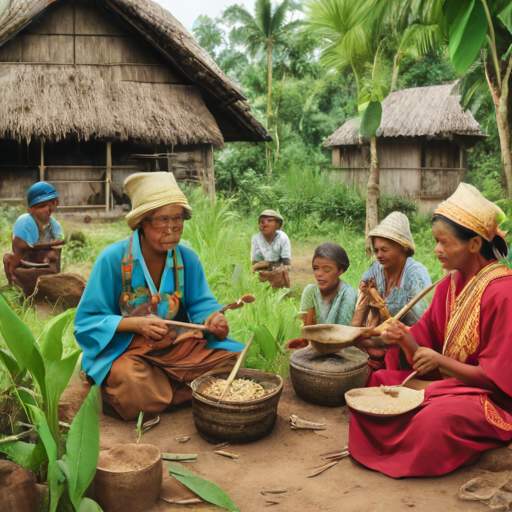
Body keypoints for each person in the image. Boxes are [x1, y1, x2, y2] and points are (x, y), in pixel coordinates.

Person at [350, 183, 512, 478]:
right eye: (435, 240)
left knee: (434, 420)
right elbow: (423, 347)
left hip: (490, 399)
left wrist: (439, 362)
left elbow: (496, 380)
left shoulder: (504, 293)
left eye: (444, 242)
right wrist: (402, 338)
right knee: (378, 381)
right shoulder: (448, 286)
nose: (436, 250)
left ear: (474, 244)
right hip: (448, 385)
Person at [74, 172, 244, 421]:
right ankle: (178, 391)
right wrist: (136, 324)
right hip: (128, 350)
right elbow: (87, 321)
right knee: (131, 379)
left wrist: (213, 317)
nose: (171, 228)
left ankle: (159, 394)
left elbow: (200, 302)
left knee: (233, 360)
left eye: (178, 219)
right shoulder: (112, 259)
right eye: (163, 219)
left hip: (175, 346)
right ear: (143, 222)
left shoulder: (187, 259)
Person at [354, 212, 431, 370]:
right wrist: (355, 337)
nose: (379, 255)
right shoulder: (373, 272)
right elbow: (358, 319)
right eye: (376, 251)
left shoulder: (415, 275)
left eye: (385, 249)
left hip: (410, 344)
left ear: (403, 247)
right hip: (379, 340)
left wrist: (382, 313)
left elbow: (423, 326)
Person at [288, 242, 357, 351]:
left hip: (340, 350)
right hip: (316, 346)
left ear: (341, 270)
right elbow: (308, 331)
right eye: (316, 268)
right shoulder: (311, 292)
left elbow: (341, 335)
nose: (319, 274)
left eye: (327, 269)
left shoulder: (347, 294)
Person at [2, 182, 65, 296]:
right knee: (12, 264)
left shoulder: (55, 227)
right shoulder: (24, 223)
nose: (48, 210)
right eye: (42, 206)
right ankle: (17, 288)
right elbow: (19, 253)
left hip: (44, 268)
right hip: (25, 264)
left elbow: (55, 261)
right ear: (31, 208)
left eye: (52, 204)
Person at [251, 210, 292, 288]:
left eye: (269, 221)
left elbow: (287, 264)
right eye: (262, 222)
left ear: (277, 224)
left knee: (283, 273)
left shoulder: (283, 238)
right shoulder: (256, 238)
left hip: (278, 271)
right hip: (263, 271)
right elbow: (255, 263)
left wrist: (277, 271)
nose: (265, 224)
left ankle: (286, 290)